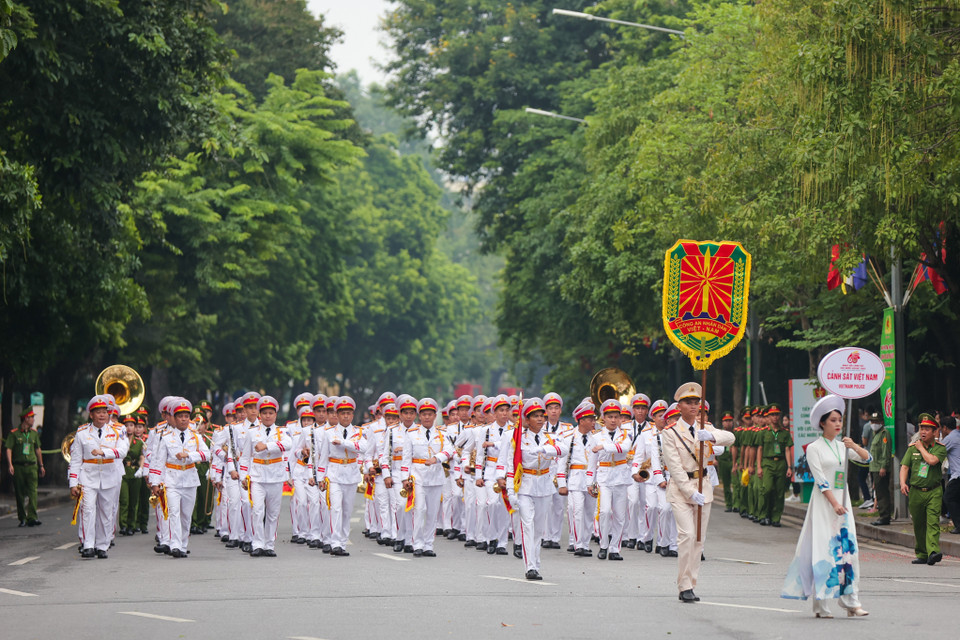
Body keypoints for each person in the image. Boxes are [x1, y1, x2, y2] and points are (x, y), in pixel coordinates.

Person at [782, 394, 870, 618]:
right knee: (824, 551)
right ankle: (821, 605)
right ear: (822, 423)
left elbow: (867, 459)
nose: (838, 424)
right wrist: (834, 504)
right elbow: (821, 480)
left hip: (844, 502)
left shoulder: (843, 446)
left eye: (840, 420)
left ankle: (851, 601)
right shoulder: (813, 448)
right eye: (833, 420)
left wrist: (855, 446)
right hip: (824, 504)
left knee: (849, 551)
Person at [660, 383, 735, 604]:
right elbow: (674, 467)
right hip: (682, 489)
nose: (693, 406)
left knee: (699, 540)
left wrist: (711, 437)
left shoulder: (706, 427)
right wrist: (690, 492)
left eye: (696, 403)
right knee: (687, 535)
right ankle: (683, 586)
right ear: (679, 406)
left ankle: (691, 583)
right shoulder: (670, 433)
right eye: (688, 403)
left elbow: (731, 438)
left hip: (704, 486)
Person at [499, 398, 563, 580]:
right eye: (535, 416)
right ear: (526, 420)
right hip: (525, 486)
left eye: (541, 416)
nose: (540, 419)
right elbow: (512, 466)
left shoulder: (550, 437)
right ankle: (530, 567)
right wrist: (511, 492)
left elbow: (563, 449)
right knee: (527, 526)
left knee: (538, 528)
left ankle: (536, 562)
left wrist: (545, 449)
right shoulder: (518, 438)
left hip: (544, 485)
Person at [69, 395, 130, 558]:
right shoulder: (82, 433)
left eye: (105, 412)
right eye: (98, 412)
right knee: (87, 510)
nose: (102, 415)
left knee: (106, 512)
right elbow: (75, 459)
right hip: (88, 476)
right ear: (91, 415)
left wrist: (105, 452)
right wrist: (73, 482)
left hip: (110, 475)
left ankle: (102, 545)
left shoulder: (118, 430)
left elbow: (123, 451)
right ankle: (88, 545)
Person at [151, 398, 211, 558]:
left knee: (186, 515)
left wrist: (190, 455)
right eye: (180, 416)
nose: (184, 419)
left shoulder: (196, 437)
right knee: (173, 513)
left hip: (190, 479)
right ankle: (175, 545)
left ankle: (183, 545)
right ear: (174, 418)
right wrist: (155, 482)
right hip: (171, 479)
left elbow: (207, 454)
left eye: (186, 416)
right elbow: (158, 461)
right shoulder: (166, 437)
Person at [239, 395, 292, 557]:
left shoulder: (281, 432)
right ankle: (257, 543)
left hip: (275, 476)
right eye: (265, 413)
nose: (268, 416)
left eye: (271, 413)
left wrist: (267, 446)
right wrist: (243, 475)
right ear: (260, 415)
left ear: (275, 414)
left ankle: (269, 544)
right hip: (257, 476)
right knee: (257, 510)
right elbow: (245, 456)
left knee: (273, 513)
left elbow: (288, 445)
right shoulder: (252, 432)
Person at [401, 397, 455, 556]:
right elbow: (406, 457)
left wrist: (437, 458)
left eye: (430, 414)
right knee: (419, 509)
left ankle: (428, 545)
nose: (426, 417)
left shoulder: (442, 433)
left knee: (432, 512)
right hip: (417, 476)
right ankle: (416, 543)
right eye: (423, 414)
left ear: (434, 415)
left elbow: (450, 450)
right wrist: (405, 478)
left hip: (436, 476)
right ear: (419, 415)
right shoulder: (411, 433)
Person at [316, 395, 367, 557]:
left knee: (346, 510)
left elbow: (363, 448)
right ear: (337, 415)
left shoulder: (359, 432)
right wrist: (320, 478)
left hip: (351, 474)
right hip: (334, 474)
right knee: (335, 508)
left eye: (348, 413)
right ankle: (335, 543)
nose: (345, 416)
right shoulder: (329, 433)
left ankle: (342, 542)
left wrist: (344, 443)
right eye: (342, 413)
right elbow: (322, 457)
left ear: (352, 415)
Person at [587, 399, 632, 561]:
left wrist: (604, 447)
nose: (613, 420)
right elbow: (591, 462)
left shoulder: (626, 434)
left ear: (620, 418)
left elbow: (624, 448)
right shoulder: (596, 436)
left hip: (620, 477)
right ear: (603, 418)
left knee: (620, 515)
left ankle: (615, 548)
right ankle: (604, 544)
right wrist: (589, 482)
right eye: (610, 417)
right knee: (605, 511)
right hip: (604, 477)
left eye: (616, 417)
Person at [899, 414, 947, 565]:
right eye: (921, 428)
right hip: (916, 491)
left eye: (927, 429)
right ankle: (922, 553)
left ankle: (933, 552)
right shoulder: (912, 449)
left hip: (934, 491)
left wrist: (920, 448)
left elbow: (932, 461)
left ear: (934, 432)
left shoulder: (939, 449)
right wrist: (902, 483)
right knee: (918, 523)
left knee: (933, 521)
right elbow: (905, 467)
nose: (923, 432)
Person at [558, 401, 598, 557]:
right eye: (590, 419)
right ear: (581, 420)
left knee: (589, 512)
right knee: (577, 510)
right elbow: (562, 462)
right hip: (575, 479)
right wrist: (562, 483)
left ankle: (585, 543)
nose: (594, 422)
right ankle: (577, 543)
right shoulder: (569, 437)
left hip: (592, 479)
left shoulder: (596, 438)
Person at [4, 407, 45, 527]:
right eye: (32, 417)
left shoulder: (33, 433)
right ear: (26, 419)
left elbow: (38, 449)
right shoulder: (14, 434)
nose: (33, 419)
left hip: (32, 467)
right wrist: (10, 464)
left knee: (33, 492)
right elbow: (8, 449)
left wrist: (41, 465)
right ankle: (22, 518)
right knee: (19, 493)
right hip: (19, 467)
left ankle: (32, 517)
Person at [757, 404, 793, 527]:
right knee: (766, 489)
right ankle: (763, 515)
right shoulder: (764, 432)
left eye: (777, 414)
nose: (775, 417)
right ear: (768, 416)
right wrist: (759, 467)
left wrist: (789, 466)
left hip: (781, 463)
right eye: (772, 414)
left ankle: (776, 517)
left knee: (779, 492)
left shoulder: (785, 433)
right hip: (767, 463)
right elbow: (760, 449)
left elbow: (788, 450)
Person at [118, 414, 143, 535]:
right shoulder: (119, 440)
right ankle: (123, 524)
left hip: (134, 471)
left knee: (134, 501)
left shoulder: (138, 442)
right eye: (126, 425)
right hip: (123, 471)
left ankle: (131, 525)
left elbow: (142, 456)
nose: (129, 428)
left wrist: (141, 468)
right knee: (124, 500)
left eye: (131, 425)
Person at [868, 416, 894, 526]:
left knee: (882, 492)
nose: (874, 423)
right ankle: (883, 515)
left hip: (880, 468)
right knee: (878, 492)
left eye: (876, 421)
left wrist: (883, 466)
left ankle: (884, 516)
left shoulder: (884, 433)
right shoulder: (876, 434)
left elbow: (885, 451)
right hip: (874, 468)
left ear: (881, 422)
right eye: (872, 421)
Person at [941, 416, 960, 535]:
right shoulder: (958, 435)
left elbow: (937, 450)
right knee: (956, 498)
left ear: (945, 428)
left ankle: (958, 525)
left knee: (948, 497)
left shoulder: (950, 438)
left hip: (957, 475)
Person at [716, 411, 735, 511]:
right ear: (722, 423)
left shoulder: (736, 432)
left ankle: (736, 504)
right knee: (726, 484)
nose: (728, 423)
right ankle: (729, 504)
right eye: (726, 421)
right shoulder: (720, 433)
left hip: (733, 460)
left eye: (730, 421)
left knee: (736, 483)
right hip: (723, 459)